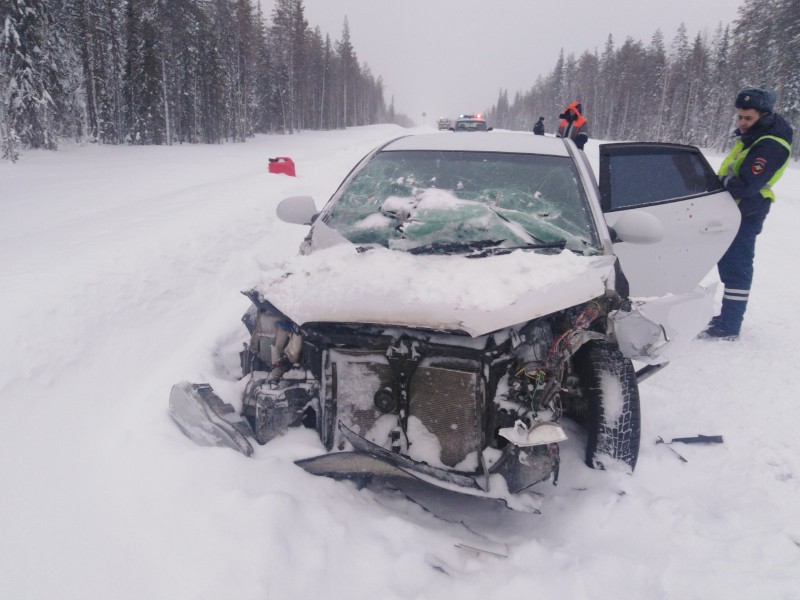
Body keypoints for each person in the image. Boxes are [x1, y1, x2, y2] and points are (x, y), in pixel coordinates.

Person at [699, 86, 793, 340]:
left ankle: (729, 325)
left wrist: (721, 181)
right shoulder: (754, 137)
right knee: (729, 264)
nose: (742, 122)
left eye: (748, 118)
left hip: (748, 209)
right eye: (740, 117)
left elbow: (747, 184)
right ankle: (727, 320)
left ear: (763, 116)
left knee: (738, 267)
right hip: (736, 208)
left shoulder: (771, 144)